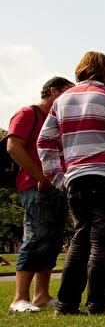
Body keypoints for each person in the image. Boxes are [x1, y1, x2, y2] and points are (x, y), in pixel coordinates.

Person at [38, 52, 105, 315]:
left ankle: (66, 304)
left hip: (76, 179)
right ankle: (98, 303)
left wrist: (59, 177)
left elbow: (44, 142)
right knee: (102, 241)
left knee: (81, 240)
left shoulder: (61, 101)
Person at [6, 76, 73, 313]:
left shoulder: (59, 121)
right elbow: (13, 146)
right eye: (67, 93)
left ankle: (42, 294)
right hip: (34, 185)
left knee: (53, 240)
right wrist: (40, 177)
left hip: (57, 185)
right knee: (35, 236)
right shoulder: (27, 114)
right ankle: (19, 297)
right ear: (53, 91)